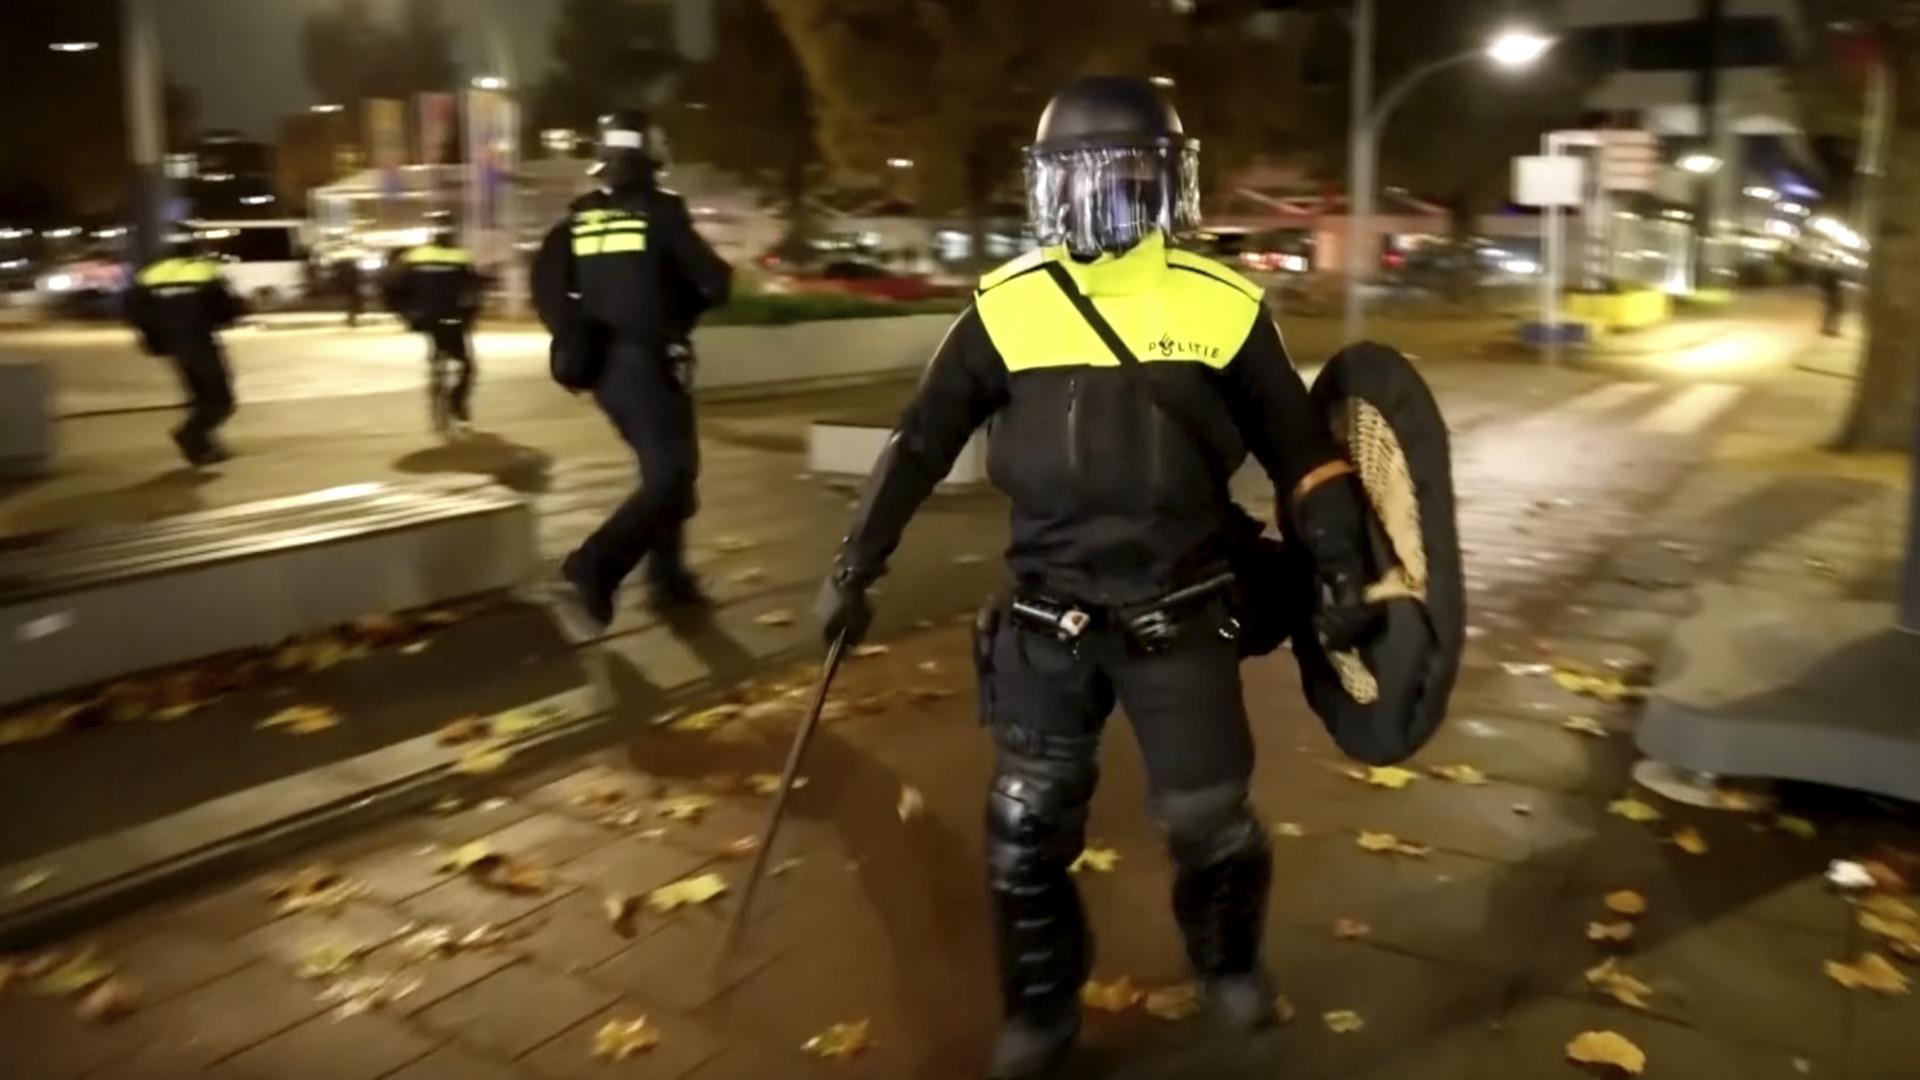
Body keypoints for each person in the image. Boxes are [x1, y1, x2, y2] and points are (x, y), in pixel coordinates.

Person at [813, 76, 1380, 1078]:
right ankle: (1040, 1008)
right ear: (1047, 191)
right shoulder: (1005, 306)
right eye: (1079, 181)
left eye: (1124, 181)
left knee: (1212, 823)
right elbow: (918, 443)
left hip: (1185, 609)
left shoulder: (1222, 305)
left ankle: (1228, 965)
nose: (1100, 203)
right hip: (1047, 620)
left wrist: (1340, 565)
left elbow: (1304, 454)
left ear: (1166, 188)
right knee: (1025, 830)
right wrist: (857, 563)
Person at [533, 109, 733, 628]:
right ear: (651, 157)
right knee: (672, 477)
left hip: (603, 371)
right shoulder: (660, 214)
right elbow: (715, 282)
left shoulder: (577, 220)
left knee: (662, 469)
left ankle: (669, 581)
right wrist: (681, 312)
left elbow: (549, 288)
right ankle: (593, 567)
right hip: (649, 363)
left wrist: (576, 334)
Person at [125, 234, 245, 466]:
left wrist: (153, 336)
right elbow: (224, 305)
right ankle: (191, 436)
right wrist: (225, 319)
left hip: (173, 345)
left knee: (198, 395)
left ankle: (203, 448)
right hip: (200, 339)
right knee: (221, 399)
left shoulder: (150, 273)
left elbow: (132, 308)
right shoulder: (202, 270)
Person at [393, 211, 483, 433]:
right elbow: (473, 290)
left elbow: (394, 287)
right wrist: (471, 317)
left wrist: (405, 314)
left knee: (436, 345)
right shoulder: (461, 257)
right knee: (467, 365)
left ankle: (436, 371)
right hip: (453, 318)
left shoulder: (414, 256)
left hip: (423, 318)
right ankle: (457, 403)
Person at [336, 255, 364, 329]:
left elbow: (340, 280)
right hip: (352, 289)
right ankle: (352, 320)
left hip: (349, 289)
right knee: (352, 305)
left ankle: (351, 319)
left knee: (350, 305)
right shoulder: (352, 269)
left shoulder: (342, 270)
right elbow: (355, 279)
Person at [1819, 260, 1844, 337]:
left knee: (1830, 313)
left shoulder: (1829, 282)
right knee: (1833, 313)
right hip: (1833, 296)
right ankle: (1831, 328)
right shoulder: (1834, 283)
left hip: (1831, 296)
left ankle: (1827, 328)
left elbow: (1825, 288)